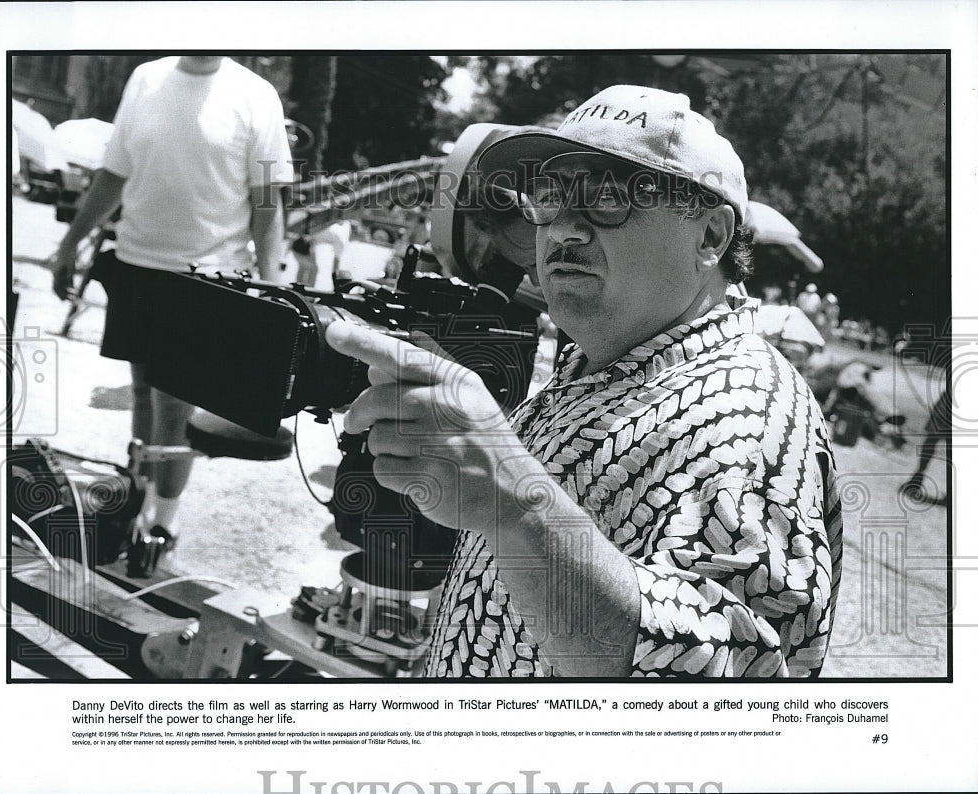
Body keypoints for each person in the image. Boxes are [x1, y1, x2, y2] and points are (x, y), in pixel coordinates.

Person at [325, 85, 843, 677]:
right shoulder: (600, 365)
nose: (563, 230)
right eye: (548, 197)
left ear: (711, 237)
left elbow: (712, 688)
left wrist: (510, 498)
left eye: (605, 198)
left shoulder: (746, 418)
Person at [49, 55, 293, 560]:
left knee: (174, 408)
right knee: (143, 395)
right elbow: (114, 175)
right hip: (137, 265)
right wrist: (71, 243)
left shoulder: (256, 95)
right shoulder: (147, 78)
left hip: (204, 278)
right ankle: (133, 506)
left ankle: (162, 523)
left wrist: (273, 293)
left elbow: (268, 204)